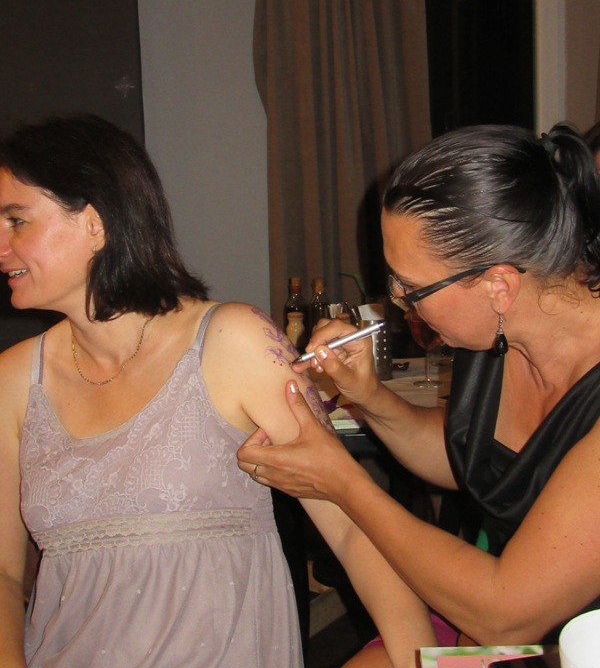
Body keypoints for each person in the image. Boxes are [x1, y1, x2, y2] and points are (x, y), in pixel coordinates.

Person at [0, 115, 434, 667]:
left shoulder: (231, 342)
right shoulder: (15, 379)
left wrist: (419, 659)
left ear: (94, 223)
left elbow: (353, 526)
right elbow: (4, 571)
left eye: (16, 220)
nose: (1, 244)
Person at [238, 124, 600, 667]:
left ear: (499, 285)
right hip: (500, 627)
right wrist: (369, 396)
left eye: (412, 287)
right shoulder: (498, 334)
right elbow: (466, 458)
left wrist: (341, 482)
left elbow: (505, 611)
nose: (400, 302)